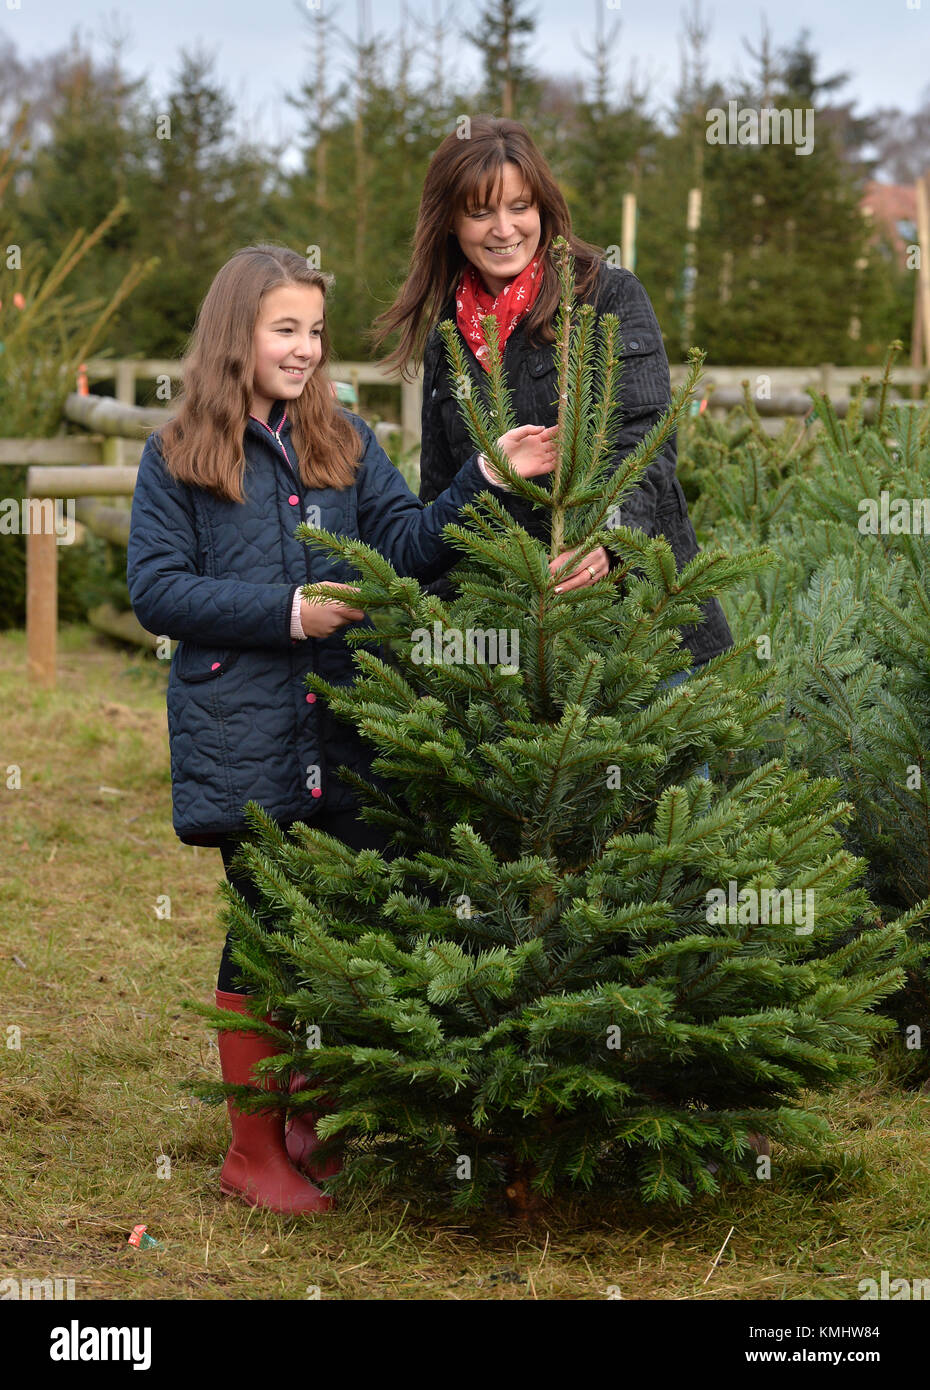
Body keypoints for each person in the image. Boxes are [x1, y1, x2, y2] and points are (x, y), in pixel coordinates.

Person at [126, 243, 558, 1216]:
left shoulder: (346, 441)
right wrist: (288, 610)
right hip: (245, 733)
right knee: (267, 926)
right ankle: (250, 1150)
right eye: (287, 329)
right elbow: (156, 588)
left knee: (341, 911)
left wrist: (485, 473)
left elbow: (408, 547)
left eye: (315, 332)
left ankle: (308, 1112)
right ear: (237, 331)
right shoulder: (181, 452)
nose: (306, 349)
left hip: (346, 729)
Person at [371, 115, 733, 680]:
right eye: (479, 211)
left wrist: (607, 542)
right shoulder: (449, 331)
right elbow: (443, 487)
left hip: (637, 627)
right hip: (504, 645)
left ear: (543, 208)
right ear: (449, 222)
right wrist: (439, 621)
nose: (503, 228)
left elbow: (646, 444)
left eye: (520, 206)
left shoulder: (608, 296)